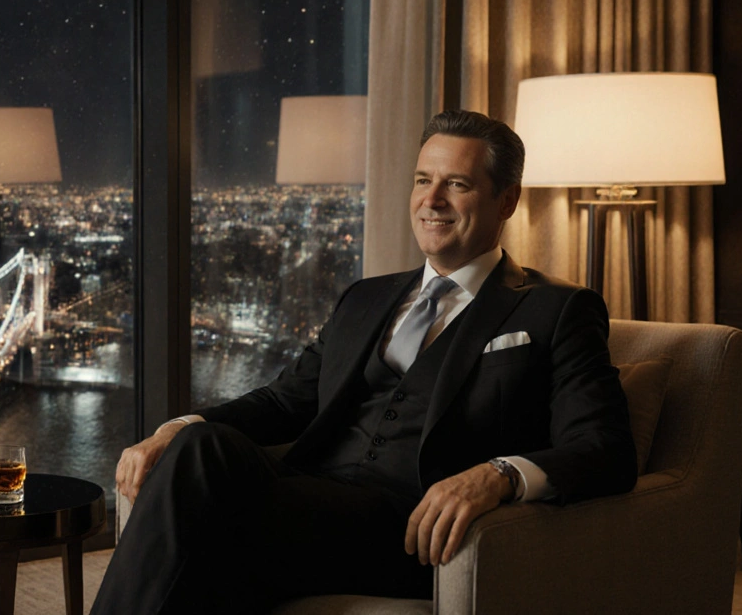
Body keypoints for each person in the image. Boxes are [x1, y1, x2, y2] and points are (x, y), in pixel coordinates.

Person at [91, 110, 637, 614]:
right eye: (423, 179)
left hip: (407, 528)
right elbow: (285, 400)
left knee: (201, 526)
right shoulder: (366, 297)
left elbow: (604, 448)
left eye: (458, 184)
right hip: (307, 496)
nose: (433, 200)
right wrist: (178, 425)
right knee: (198, 446)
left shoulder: (556, 309)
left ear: (507, 201)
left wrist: (497, 476)